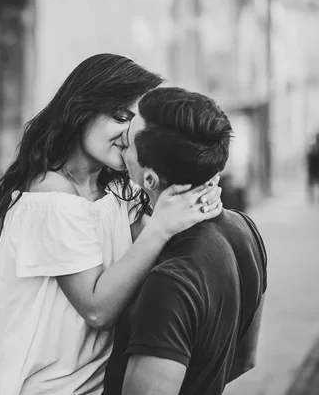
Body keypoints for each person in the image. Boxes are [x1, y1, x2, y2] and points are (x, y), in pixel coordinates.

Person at [0, 54, 223, 395]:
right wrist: (161, 227)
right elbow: (97, 309)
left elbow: (145, 255)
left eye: (137, 124)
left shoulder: (115, 187)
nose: (129, 135)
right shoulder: (50, 197)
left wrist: (196, 197)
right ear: (81, 109)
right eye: (120, 117)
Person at [103, 87, 267, 395]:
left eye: (127, 144)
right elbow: (245, 360)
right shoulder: (244, 230)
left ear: (149, 179)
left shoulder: (170, 281)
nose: (121, 144)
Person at [306, 132, 319, 203]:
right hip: (313, 170)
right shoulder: (313, 148)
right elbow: (309, 159)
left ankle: (311, 197)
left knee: (311, 183)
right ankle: (311, 197)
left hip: (313, 170)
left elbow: (308, 158)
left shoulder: (312, 149)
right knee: (310, 183)